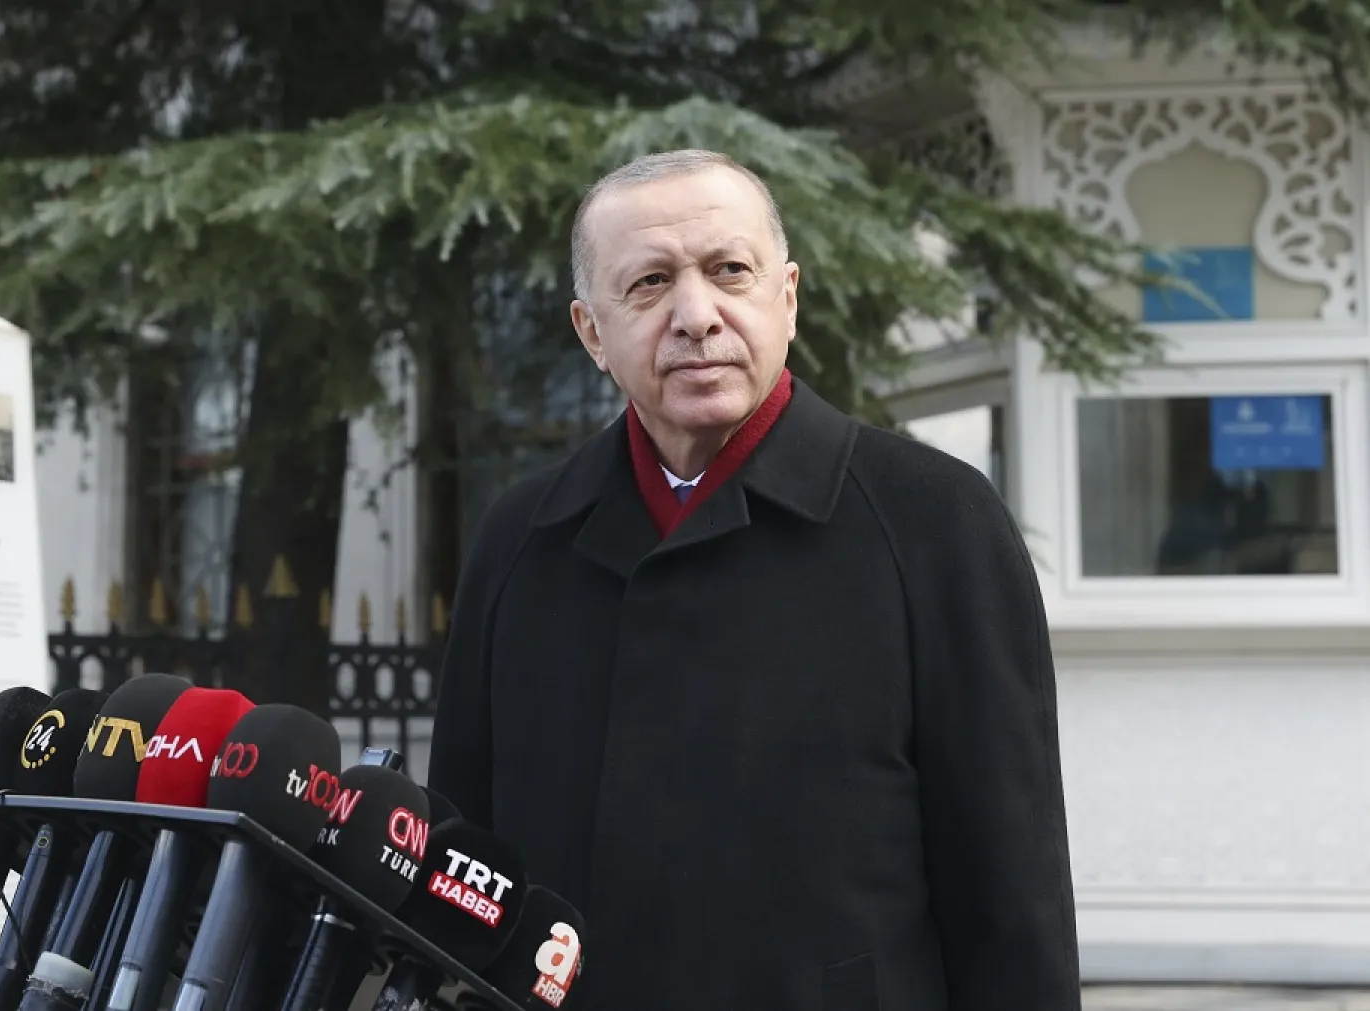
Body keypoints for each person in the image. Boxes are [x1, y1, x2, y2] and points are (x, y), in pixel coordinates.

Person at [426, 148, 1080, 1011]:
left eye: (729, 270)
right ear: (592, 332)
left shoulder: (933, 521)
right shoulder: (523, 537)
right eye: (650, 284)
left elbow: (1012, 892)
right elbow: (467, 872)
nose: (697, 315)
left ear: (788, 297)